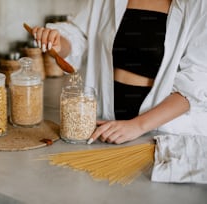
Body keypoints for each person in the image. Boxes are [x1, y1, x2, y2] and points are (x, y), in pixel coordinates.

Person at [32, 0, 207, 144]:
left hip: (163, 131)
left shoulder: (198, 5)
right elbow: (79, 34)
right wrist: (58, 43)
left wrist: (137, 126)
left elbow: (197, 80)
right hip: (107, 126)